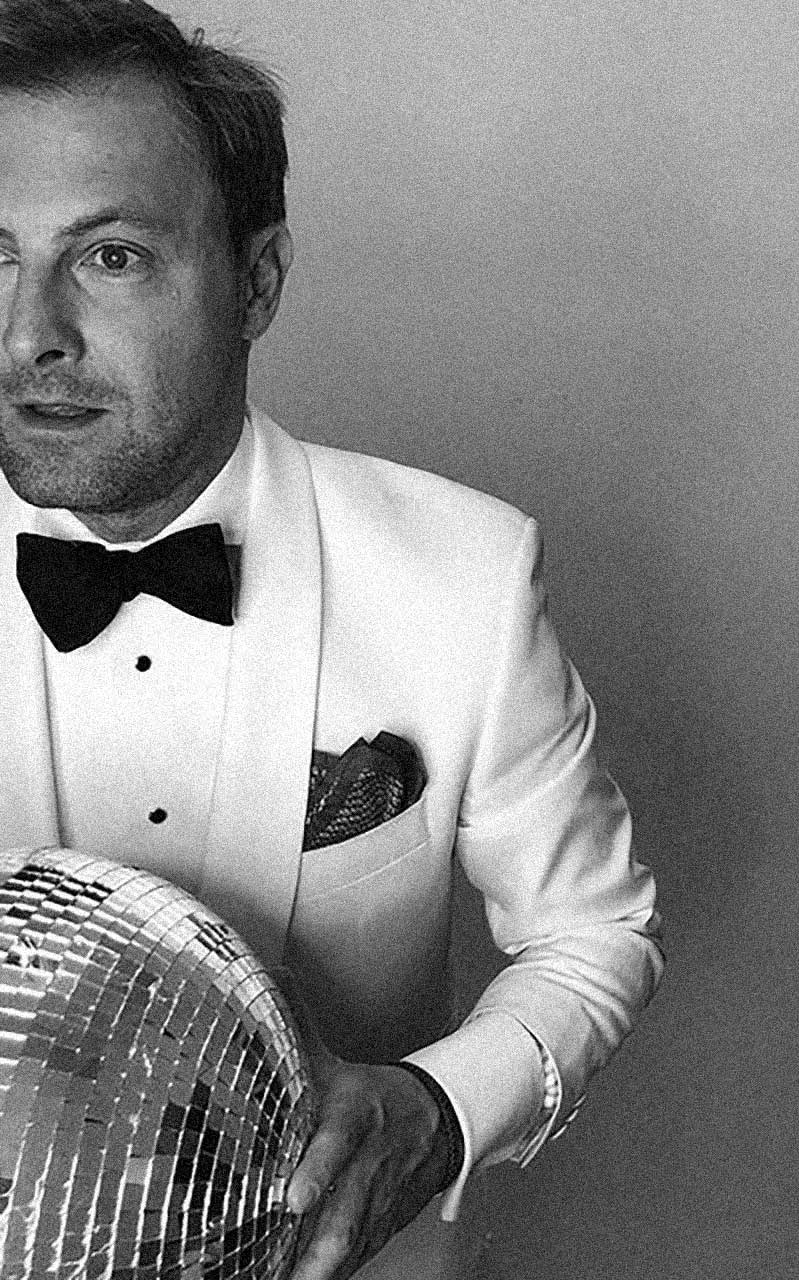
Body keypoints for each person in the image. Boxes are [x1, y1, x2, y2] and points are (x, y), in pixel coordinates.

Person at [0, 1, 663, 1277]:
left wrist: (438, 1105)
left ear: (256, 280)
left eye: (112, 256)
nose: (32, 331)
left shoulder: (468, 577)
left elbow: (596, 934)